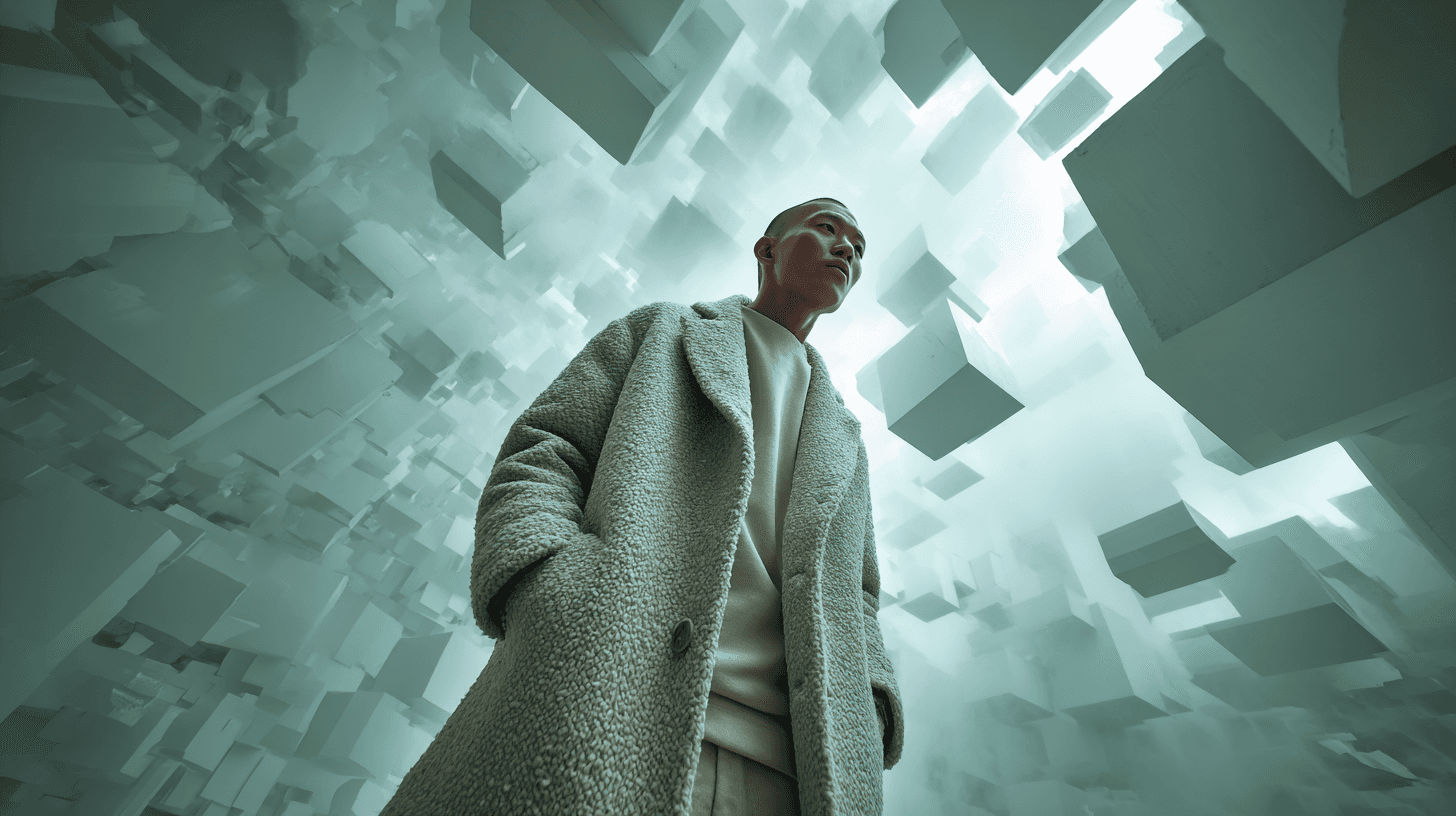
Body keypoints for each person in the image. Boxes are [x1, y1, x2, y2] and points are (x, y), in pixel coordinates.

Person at [379, 198, 904, 816]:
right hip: (605, 696)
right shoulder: (663, 332)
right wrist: (555, 589)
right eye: (826, 229)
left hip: (798, 772)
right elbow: (546, 450)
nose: (847, 249)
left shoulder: (844, 433)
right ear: (766, 250)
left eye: (860, 247)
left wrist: (868, 705)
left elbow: (859, 593)